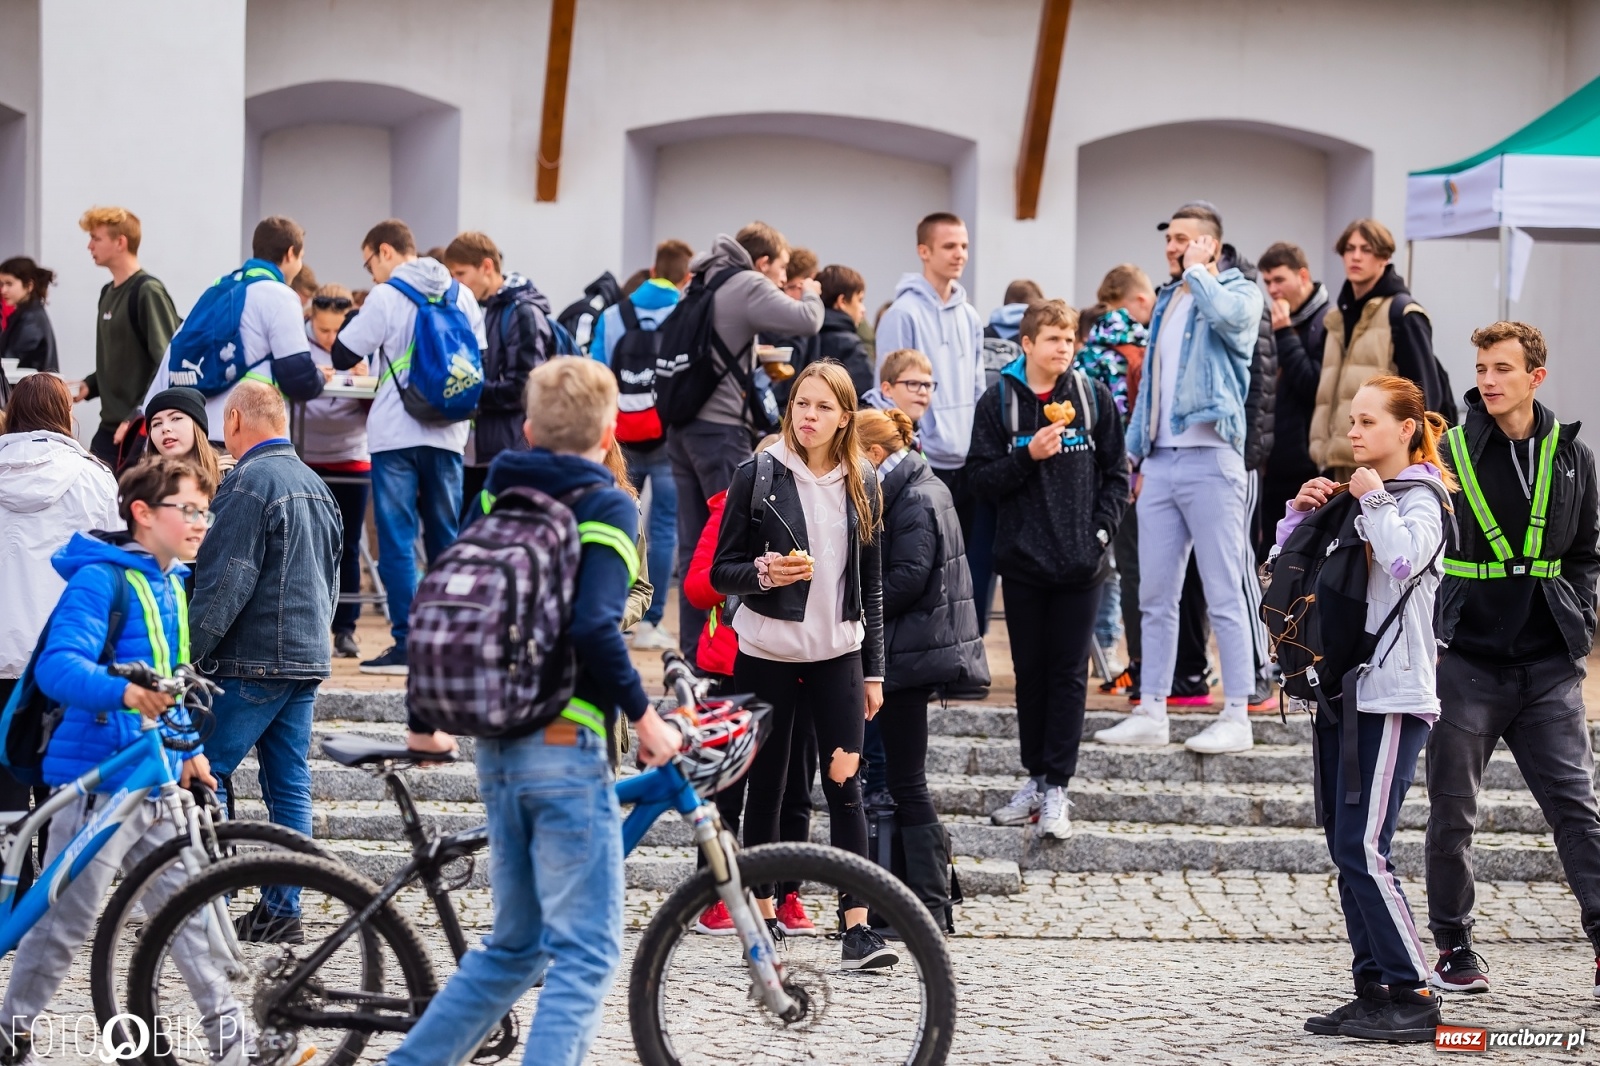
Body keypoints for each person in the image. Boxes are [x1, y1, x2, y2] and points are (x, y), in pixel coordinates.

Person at [387, 357, 681, 1066]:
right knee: (585, 952)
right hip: (566, 735)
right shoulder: (606, 504)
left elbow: (446, 598)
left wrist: (424, 719)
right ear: (610, 429)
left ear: (526, 427)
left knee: (515, 946)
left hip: (498, 740)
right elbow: (594, 628)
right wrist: (647, 719)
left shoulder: (497, 491)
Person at [0, 457, 251, 1066]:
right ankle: (10, 1031)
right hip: (98, 783)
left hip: (155, 775)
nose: (199, 524)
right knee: (63, 925)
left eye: (203, 511)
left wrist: (190, 750)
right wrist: (123, 690)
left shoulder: (169, 582)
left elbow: (173, 681)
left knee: (189, 913)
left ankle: (238, 1047)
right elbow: (61, 667)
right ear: (143, 514)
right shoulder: (101, 581)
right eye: (186, 510)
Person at [1424, 321, 1600, 997]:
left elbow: (1585, 551)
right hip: (1467, 664)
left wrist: (1577, 620)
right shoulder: (1453, 452)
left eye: (1502, 368)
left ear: (1536, 377)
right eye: (1481, 367)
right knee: (1453, 814)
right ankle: (1455, 946)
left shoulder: (1571, 455)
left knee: (1577, 810)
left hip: (1549, 665)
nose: (1488, 380)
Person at [1281, 376, 1452, 1043]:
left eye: (1368, 422)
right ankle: (1373, 986)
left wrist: (1372, 496)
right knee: (1343, 846)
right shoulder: (1360, 495)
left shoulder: (1424, 498)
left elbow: (1406, 560)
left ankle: (1412, 989)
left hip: (1393, 696)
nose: (1354, 433)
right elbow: (1290, 576)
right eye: (1351, 422)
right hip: (1340, 691)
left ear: (1406, 429)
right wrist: (1300, 514)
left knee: (1365, 846)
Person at [710, 360, 896, 970]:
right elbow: (720, 571)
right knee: (766, 783)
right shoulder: (758, 473)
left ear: (845, 416)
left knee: (846, 786)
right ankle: (762, 912)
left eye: (822, 407)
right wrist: (763, 572)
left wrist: (874, 671)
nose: (808, 416)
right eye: (800, 404)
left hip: (838, 654)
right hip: (764, 652)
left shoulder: (862, 480)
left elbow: (870, 585)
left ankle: (857, 924)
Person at [1094, 201, 1263, 755]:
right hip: (1162, 461)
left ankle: (1237, 713)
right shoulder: (1167, 299)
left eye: (1185, 238)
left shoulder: (1237, 290)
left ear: (1211, 245)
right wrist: (1139, 453)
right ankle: (1151, 709)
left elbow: (1234, 326)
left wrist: (1200, 272)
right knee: (1155, 595)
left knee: (1223, 593)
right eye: (1170, 239)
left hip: (1213, 457)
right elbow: (1154, 387)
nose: (1173, 247)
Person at [969, 300, 1128, 836]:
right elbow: (978, 480)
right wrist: (1026, 456)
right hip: (1022, 561)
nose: (1063, 348)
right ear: (1028, 345)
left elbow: (1116, 476)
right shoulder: (999, 403)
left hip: (1082, 563)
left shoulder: (1091, 396)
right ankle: (1034, 779)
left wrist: (1100, 534)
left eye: (1070, 339)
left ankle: (1058, 787)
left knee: (1067, 676)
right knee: (1031, 676)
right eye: (1053, 339)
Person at [189, 381, 342, 936]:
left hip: (251, 660)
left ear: (233, 420)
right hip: (304, 657)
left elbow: (224, 582)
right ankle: (282, 911)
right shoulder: (317, 485)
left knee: (203, 775)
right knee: (289, 785)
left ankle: (207, 912)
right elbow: (332, 577)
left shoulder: (248, 483)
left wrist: (188, 655)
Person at [331, 219, 486, 675]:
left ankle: (406, 644)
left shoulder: (385, 295)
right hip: (450, 433)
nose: (371, 273)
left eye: (368, 263)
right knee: (446, 539)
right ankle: (449, 644)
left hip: (396, 434)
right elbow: (477, 359)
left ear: (386, 252)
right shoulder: (462, 294)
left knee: (397, 541)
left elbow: (342, 354)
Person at [681, 433, 821, 937]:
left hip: (803, 664)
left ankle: (787, 894)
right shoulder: (729, 507)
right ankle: (717, 894)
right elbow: (697, 587)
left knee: (794, 790)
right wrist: (758, 570)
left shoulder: (821, 508)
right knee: (728, 788)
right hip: (730, 666)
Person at [669, 222, 824, 668]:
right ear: (762, 263)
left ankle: (694, 652)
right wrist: (810, 290)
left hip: (684, 428)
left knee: (693, 548)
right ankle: (727, 656)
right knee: (732, 543)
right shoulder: (746, 282)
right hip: (720, 432)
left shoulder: (702, 279)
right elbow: (806, 320)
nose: (780, 281)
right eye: (780, 272)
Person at [857, 405, 985, 928]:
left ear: (873, 454)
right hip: (911, 650)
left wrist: (853, 607)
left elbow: (907, 578)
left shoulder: (912, 494)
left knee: (907, 780)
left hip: (909, 656)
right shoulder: (914, 485)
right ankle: (920, 903)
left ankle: (928, 905)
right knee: (901, 778)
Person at [0, 374, 120, 890]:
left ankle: (6, 884)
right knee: (59, 773)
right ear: (67, 416)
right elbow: (113, 567)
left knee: (2, 771)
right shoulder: (94, 476)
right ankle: (51, 889)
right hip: (65, 651)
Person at [876, 213, 990, 658]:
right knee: (924, 569)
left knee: (966, 568)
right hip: (923, 460)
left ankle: (963, 656)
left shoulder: (970, 315)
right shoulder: (902, 313)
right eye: (949, 246)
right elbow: (887, 389)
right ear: (924, 251)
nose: (960, 254)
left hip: (968, 461)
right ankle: (928, 657)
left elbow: (979, 388)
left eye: (963, 246)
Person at [592, 238, 694, 652]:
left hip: (620, 436)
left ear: (653, 270)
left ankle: (613, 610)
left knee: (616, 516)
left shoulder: (615, 314)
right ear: (686, 278)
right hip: (668, 434)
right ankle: (651, 621)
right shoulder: (686, 314)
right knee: (664, 526)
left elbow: (598, 372)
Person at [138, 216, 326, 441]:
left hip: (198, 429)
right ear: (290, 253)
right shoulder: (280, 295)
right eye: (301, 257)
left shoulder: (218, 288)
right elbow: (298, 379)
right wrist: (320, 378)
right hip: (248, 432)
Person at [1309, 219, 1451, 481]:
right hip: (1335, 463)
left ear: (1384, 257)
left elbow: (1425, 397)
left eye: (1367, 249)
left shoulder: (1403, 314)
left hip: (1386, 469)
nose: (1356, 256)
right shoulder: (1334, 318)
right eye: (1349, 249)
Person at [1076, 264, 1154, 692]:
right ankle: (1142, 663)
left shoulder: (1086, 349)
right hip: (1132, 479)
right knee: (1137, 570)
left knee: (1102, 567)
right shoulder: (1139, 347)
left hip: (1087, 474)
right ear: (1140, 300)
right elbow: (1132, 418)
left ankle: (1096, 661)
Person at [444, 230, 555, 510]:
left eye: (460, 274)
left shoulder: (522, 311)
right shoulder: (487, 309)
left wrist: (469, 393)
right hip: (481, 450)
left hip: (510, 449)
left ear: (487, 267)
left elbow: (525, 387)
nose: (456, 284)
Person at [72, 206, 182, 470]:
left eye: (96, 238)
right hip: (110, 428)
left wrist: (138, 415)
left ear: (120, 242)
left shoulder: (147, 292)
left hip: (135, 432)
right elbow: (123, 358)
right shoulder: (107, 293)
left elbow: (166, 364)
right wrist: (90, 385)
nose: (89, 245)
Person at [303, 283, 371, 658]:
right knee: (307, 547)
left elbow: (378, 405)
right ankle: (310, 625)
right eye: (323, 331)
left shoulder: (361, 341)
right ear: (311, 319)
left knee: (348, 545)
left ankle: (345, 629)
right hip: (307, 454)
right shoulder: (296, 340)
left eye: (337, 332)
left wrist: (363, 377)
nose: (330, 340)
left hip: (351, 455)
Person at [1259, 241, 1330, 528]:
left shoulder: (1327, 321)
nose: (1273, 290)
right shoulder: (1274, 323)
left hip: (1307, 464)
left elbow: (1314, 386)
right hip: (1274, 461)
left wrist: (1286, 334)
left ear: (1302, 276)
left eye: (1279, 280)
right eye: (1267, 282)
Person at [805, 265, 875, 398]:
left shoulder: (803, 335)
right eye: (859, 300)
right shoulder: (852, 346)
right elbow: (863, 395)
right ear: (842, 301)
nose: (863, 309)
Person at [0, 257, 58, 373]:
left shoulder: (31, 318)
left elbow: (10, 359)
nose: (3, 290)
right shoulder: (27, 314)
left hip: (32, 388)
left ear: (29, 286)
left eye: (9, 284)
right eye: (1, 284)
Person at [862, 347, 936, 429]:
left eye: (927, 385)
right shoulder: (869, 431)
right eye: (913, 384)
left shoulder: (909, 428)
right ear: (887, 390)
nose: (923, 392)